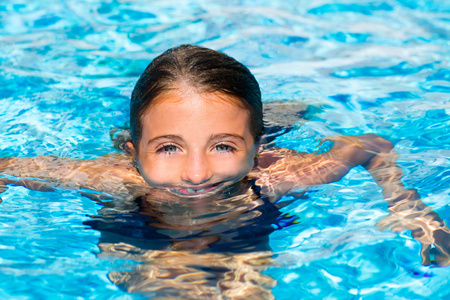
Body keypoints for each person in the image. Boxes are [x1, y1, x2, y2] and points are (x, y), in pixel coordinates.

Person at [0, 45, 449, 297]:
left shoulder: (280, 175)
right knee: (164, 284)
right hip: (145, 223)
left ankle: (269, 119)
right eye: (169, 148)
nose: (196, 173)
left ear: (256, 154)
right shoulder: (110, 176)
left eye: (223, 147)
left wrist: (408, 207)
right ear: (134, 154)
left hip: (245, 213)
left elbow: (369, 147)